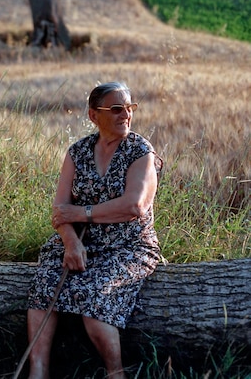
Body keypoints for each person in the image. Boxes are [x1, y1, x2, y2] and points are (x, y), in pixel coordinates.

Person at [26, 82, 163, 379]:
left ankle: (115, 373)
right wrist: (72, 242)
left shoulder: (141, 152)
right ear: (93, 115)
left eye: (129, 108)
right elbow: (60, 210)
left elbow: (134, 206)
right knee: (44, 285)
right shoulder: (78, 152)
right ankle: (38, 370)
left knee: (93, 295)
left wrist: (82, 213)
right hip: (83, 242)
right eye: (116, 109)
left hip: (130, 246)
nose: (125, 114)